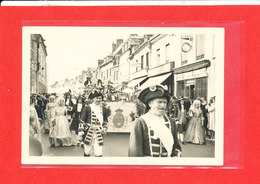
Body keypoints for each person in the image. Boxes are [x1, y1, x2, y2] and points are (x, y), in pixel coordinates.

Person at [129, 85, 182, 157]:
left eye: (165, 102)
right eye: (159, 102)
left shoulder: (171, 122)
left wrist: (175, 156)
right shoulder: (141, 122)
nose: (163, 105)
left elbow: (176, 147)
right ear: (150, 104)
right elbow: (135, 150)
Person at [80, 90, 109, 157]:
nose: (98, 100)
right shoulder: (87, 108)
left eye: (100, 98)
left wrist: (104, 128)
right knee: (87, 151)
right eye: (97, 98)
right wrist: (81, 131)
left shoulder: (104, 109)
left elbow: (105, 121)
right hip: (88, 132)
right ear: (93, 99)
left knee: (98, 152)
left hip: (99, 132)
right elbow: (82, 121)